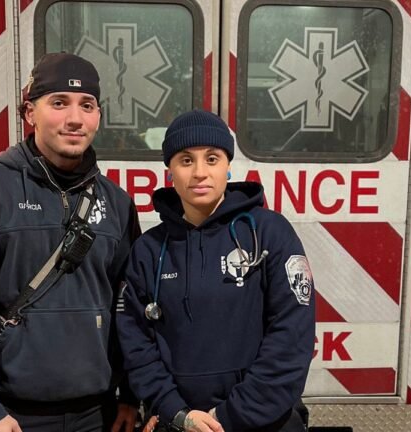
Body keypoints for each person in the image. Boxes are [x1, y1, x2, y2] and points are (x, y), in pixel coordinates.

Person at [0, 53, 140, 432]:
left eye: (87, 105)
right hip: (12, 416)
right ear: (30, 113)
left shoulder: (118, 204)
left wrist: (130, 393)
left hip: (98, 416)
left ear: (98, 115)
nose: (74, 118)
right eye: (58, 103)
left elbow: (128, 310)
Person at [116, 110, 315, 432]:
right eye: (185, 160)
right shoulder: (149, 250)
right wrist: (176, 412)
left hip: (266, 422)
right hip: (181, 423)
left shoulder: (269, 233)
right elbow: (137, 344)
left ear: (227, 166)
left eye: (212, 159)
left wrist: (228, 417)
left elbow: (291, 338)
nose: (199, 173)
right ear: (169, 171)